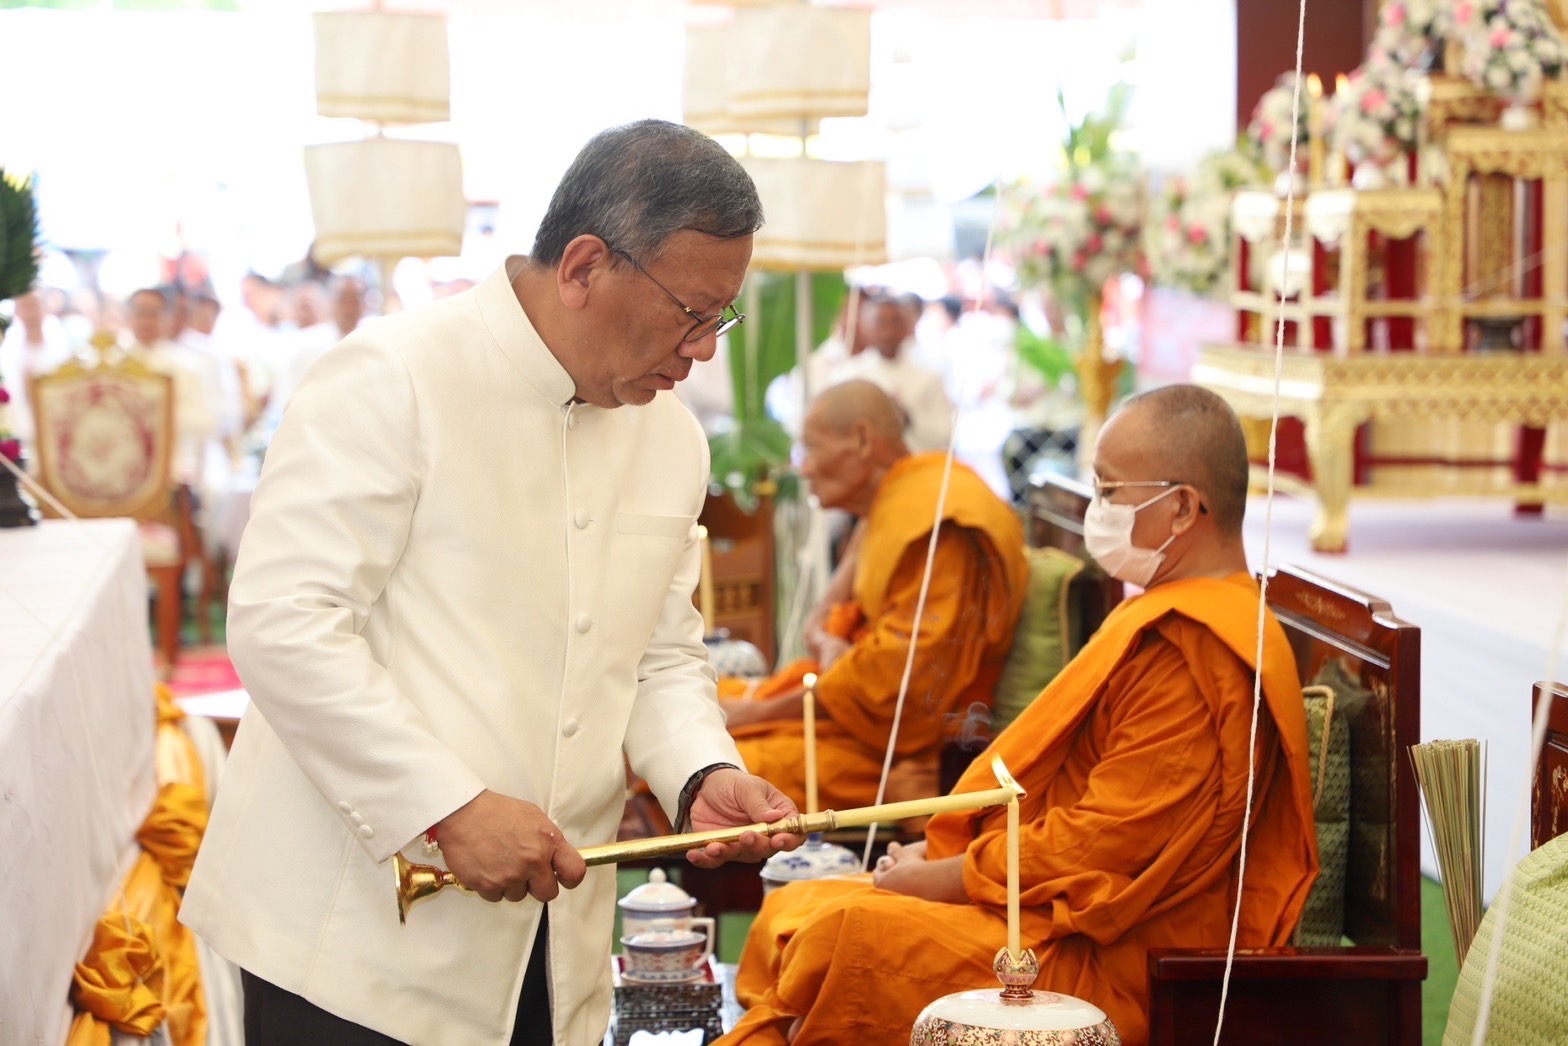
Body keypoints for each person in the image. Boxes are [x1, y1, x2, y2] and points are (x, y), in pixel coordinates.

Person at [180, 119, 803, 1046]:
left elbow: (659, 652)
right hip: (353, 946)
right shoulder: (391, 377)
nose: (706, 349)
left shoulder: (670, 436)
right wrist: (446, 805)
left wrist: (696, 771)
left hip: (557, 941)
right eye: (690, 312)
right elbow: (285, 624)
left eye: (724, 316)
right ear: (586, 265)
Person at [720, 384, 1319, 1046]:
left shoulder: (1199, 648)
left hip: (1108, 958)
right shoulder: (1172, 612)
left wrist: (947, 875)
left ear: (1182, 507)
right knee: (797, 907)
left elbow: (1104, 848)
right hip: (1048, 908)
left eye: (1112, 492)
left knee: (836, 938)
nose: (1101, 510)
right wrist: (946, 854)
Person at [721, 379, 1029, 813]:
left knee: (723, 769)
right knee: (703, 709)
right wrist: (830, 647)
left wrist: (757, 714)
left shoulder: (939, 522)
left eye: (811, 449)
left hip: (903, 748)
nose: (802, 469)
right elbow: (821, 626)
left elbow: (899, 688)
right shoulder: (894, 502)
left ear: (863, 440)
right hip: (850, 712)